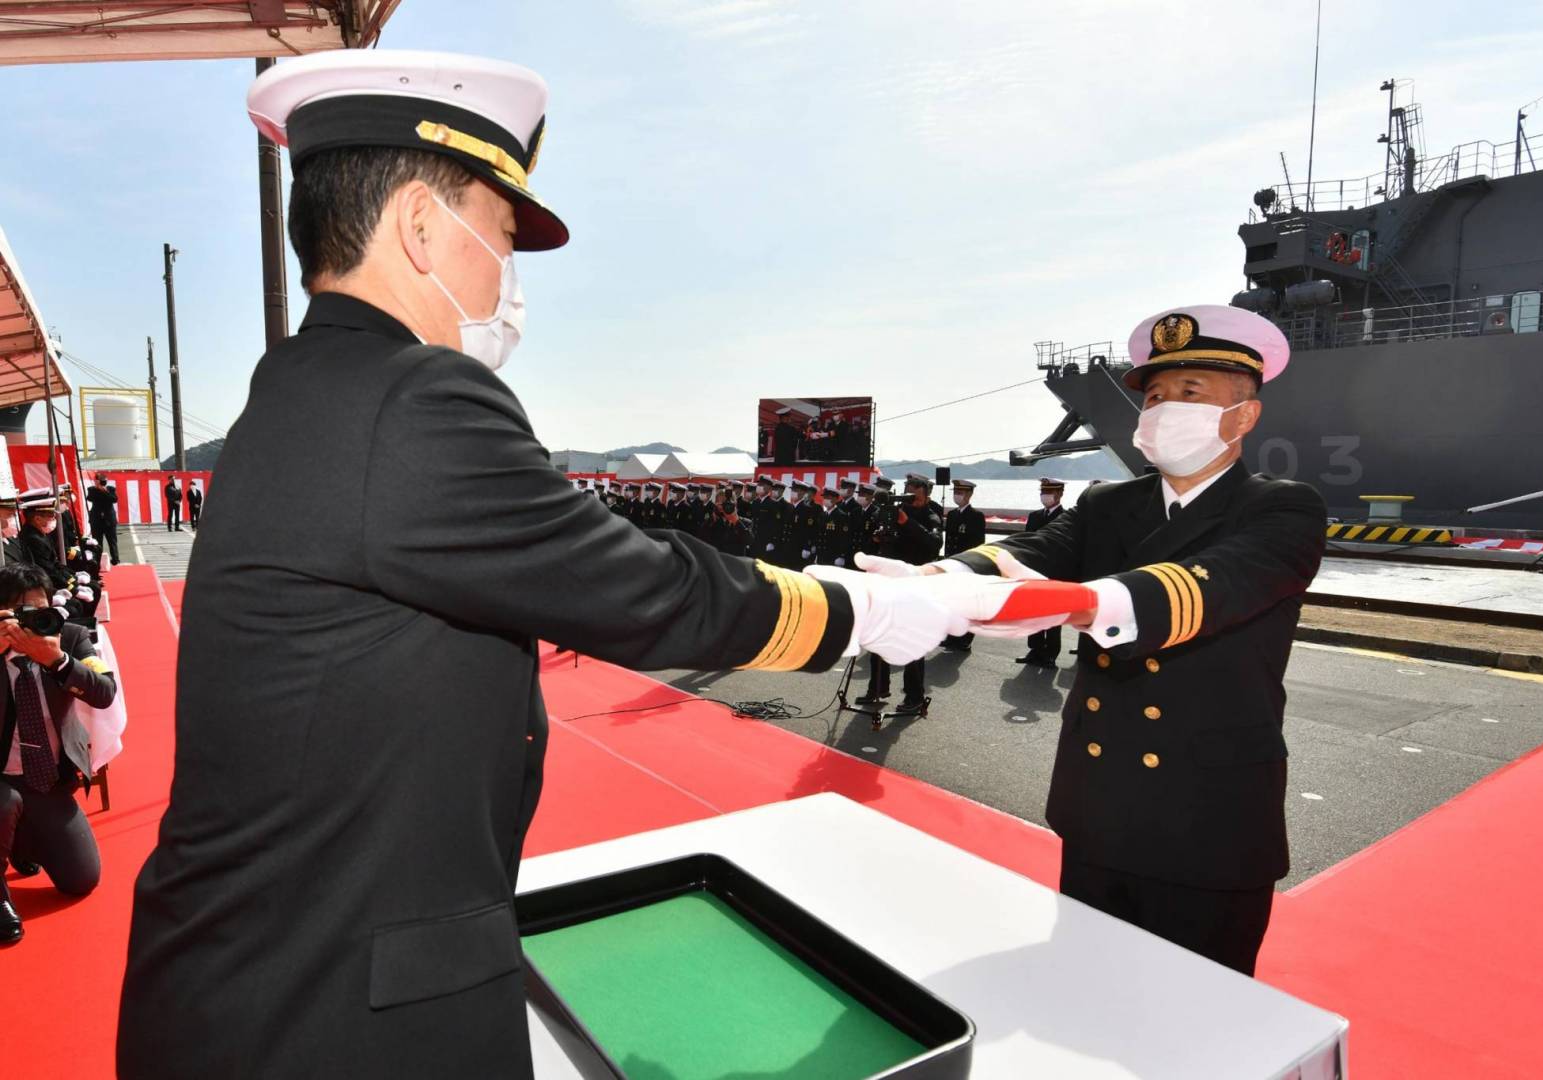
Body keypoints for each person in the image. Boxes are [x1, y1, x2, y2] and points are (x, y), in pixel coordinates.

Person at [118, 51, 996, 1078]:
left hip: (254, 970)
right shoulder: (411, 398)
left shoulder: (303, 388)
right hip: (331, 1010)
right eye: (498, 239)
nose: (506, 280)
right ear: (417, 227)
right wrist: (856, 612)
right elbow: (643, 590)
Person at [860, 304, 1326, 975]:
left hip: (1208, 823)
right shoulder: (1110, 505)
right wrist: (934, 578)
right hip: (1098, 807)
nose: (1165, 409)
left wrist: (1076, 603)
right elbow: (1029, 551)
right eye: (1156, 396)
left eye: (1189, 394)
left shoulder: (1281, 507)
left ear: (1243, 415)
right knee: (1085, 989)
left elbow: (1201, 587)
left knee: (1195, 1020)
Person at [0, 563, 121, 946]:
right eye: (18, 614)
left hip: (49, 781)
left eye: (38, 610)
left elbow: (104, 692)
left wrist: (57, 662)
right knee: (3, 804)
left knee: (81, 880)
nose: (31, 622)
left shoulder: (68, 638)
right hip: (1, 780)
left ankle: (21, 840)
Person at [858, 474, 944, 715]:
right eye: (907, 490)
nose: (909, 496)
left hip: (915, 586)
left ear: (925, 494)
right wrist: (876, 538)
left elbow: (934, 544)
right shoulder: (892, 513)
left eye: (914, 492)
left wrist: (907, 522)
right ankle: (878, 687)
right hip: (889, 583)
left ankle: (914, 696)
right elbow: (875, 539)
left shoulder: (931, 515)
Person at [1015, 477, 1066, 667]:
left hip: (1055, 572)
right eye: (1043, 492)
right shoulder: (1035, 516)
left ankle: (1050, 654)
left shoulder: (1066, 516)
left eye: (1049, 492)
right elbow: (1026, 542)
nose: (1045, 496)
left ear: (1060, 494)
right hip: (1035, 572)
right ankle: (1035, 650)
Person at [941, 478, 985, 652]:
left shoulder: (976, 516)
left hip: (967, 566)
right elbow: (949, 542)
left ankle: (965, 639)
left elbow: (978, 544)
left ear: (969, 494)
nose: (957, 495)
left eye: (960, 493)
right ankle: (951, 637)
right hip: (952, 565)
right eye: (955, 492)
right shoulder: (952, 515)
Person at [16, 493, 71, 592]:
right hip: (45, 584)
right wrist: (71, 587)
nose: (54, 520)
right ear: (37, 519)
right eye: (51, 517)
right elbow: (47, 569)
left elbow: (55, 562)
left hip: (54, 577)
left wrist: (72, 578)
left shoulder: (41, 531)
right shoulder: (32, 538)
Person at [816, 485, 855, 568]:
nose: (825, 499)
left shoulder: (842, 516)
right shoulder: (822, 515)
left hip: (834, 556)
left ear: (835, 499)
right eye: (825, 497)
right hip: (821, 554)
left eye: (828, 497)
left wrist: (841, 555)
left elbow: (845, 537)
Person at [86, 474, 120, 566]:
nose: (102, 483)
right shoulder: (92, 489)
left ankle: (115, 559)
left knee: (112, 540)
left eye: (104, 481)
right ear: (96, 481)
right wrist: (98, 488)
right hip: (96, 520)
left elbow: (114, 499)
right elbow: (89, 498)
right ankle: (97, 560)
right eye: (100, 481)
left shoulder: (110, 489)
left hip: (109, 519)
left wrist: (105, 491)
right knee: (97, 541)